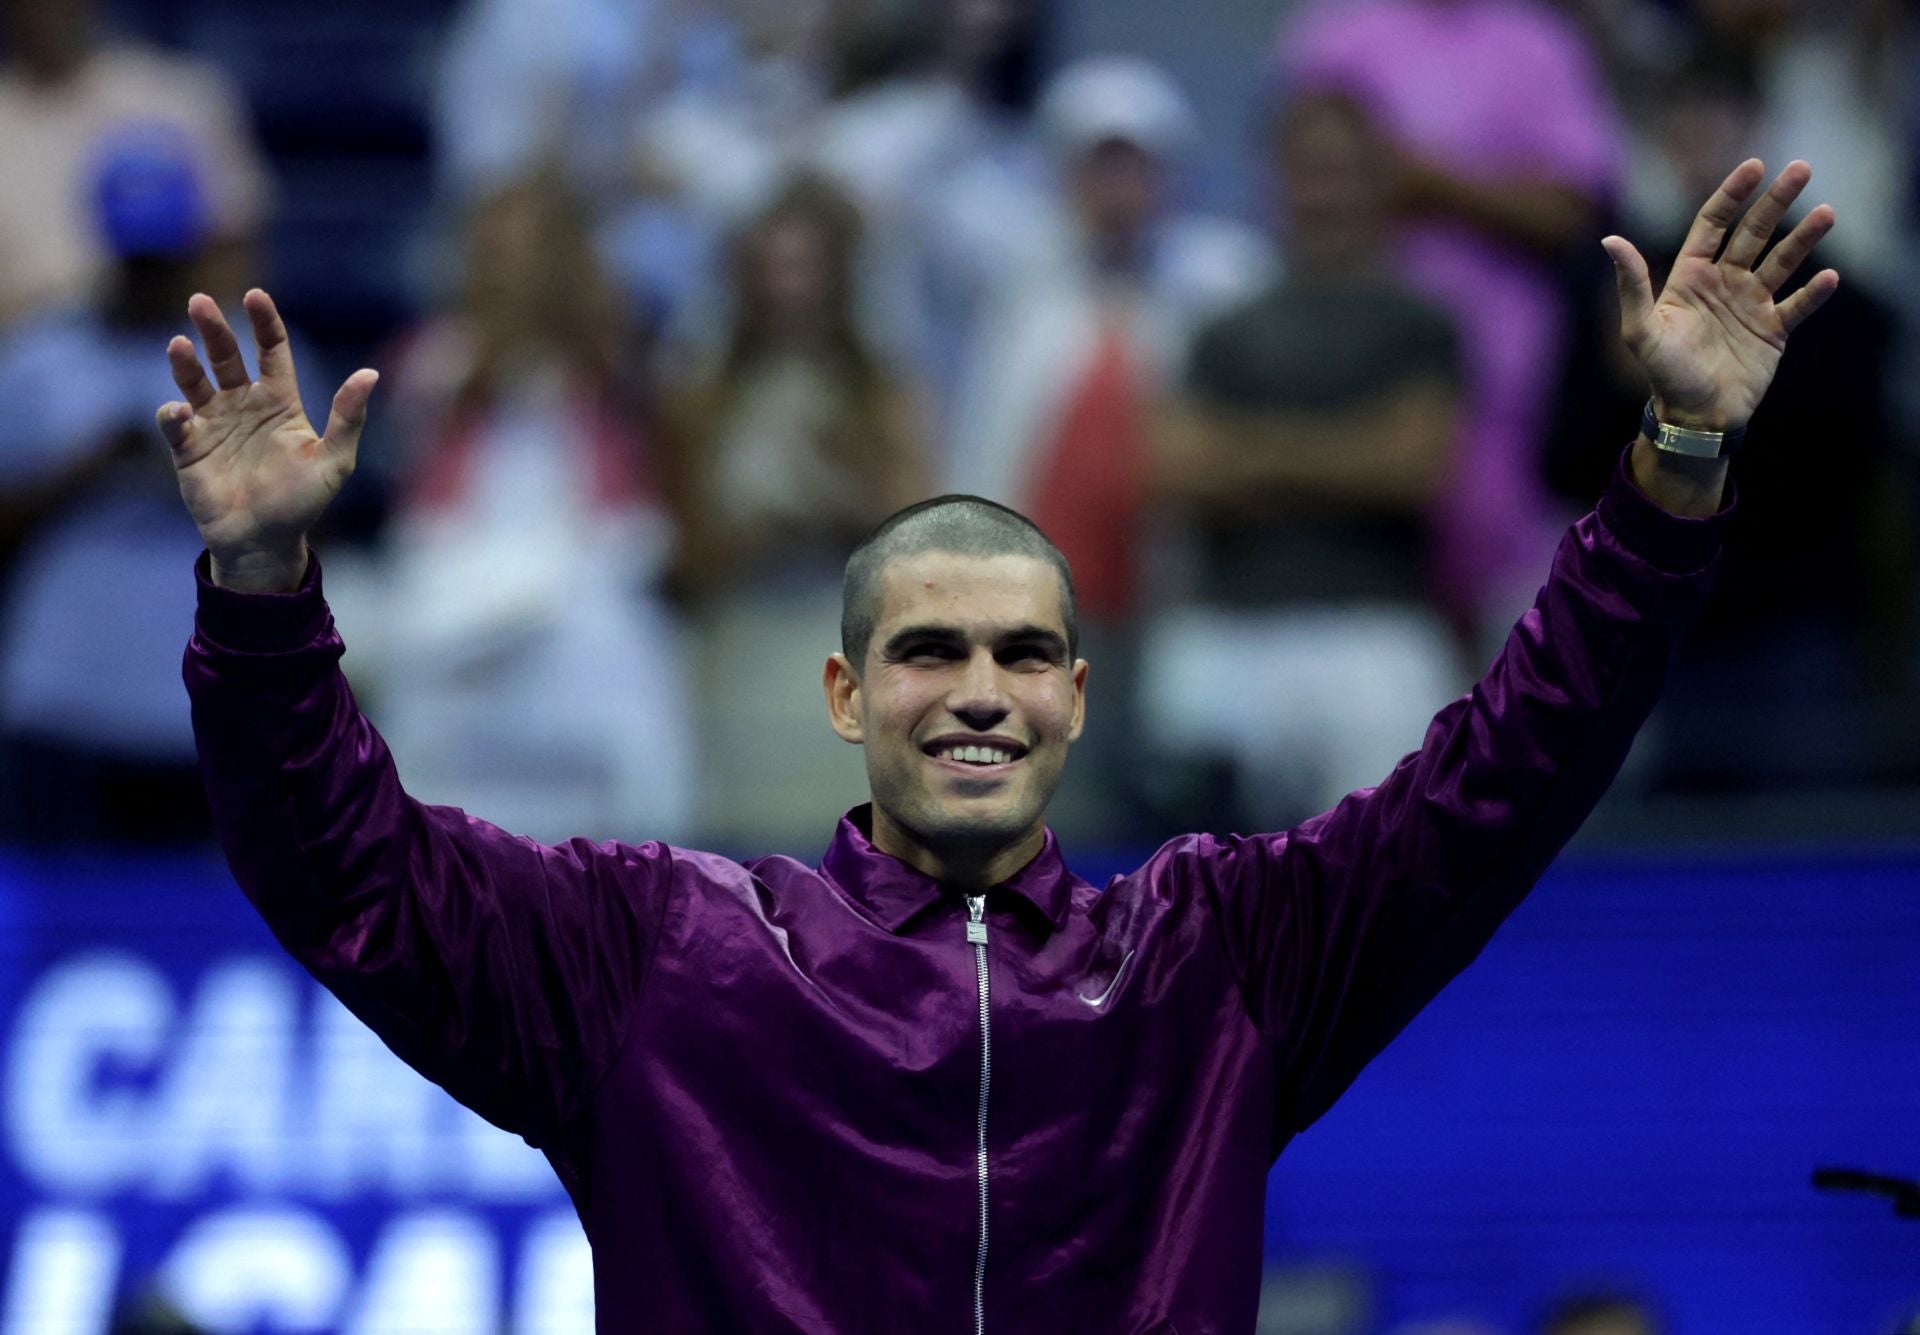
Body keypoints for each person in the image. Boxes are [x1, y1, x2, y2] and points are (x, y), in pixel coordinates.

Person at [161, 160, 1835, 1331]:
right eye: (929, 651)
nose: (979, 689)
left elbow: (1510, 771)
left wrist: (1678, 457)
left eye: (1025, 652)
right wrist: (258, 585)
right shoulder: (657, 956)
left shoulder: (1218, 959)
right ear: (844, 696)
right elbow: (344, 865)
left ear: (1078, 699)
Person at [1143, 89, 1466, 828]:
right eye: (1307, 169)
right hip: (1226, 630)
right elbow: (1180, 473)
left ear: (1378, 181)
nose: (1324, 190)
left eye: (1342, 169)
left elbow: (1414, 469)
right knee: (1194, 894)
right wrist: (1349, 449)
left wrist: (1252, 450)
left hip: (1375, 632)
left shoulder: (1418, 321)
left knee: (1385, 886)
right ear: (1275, 178)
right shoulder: (1221, 326)